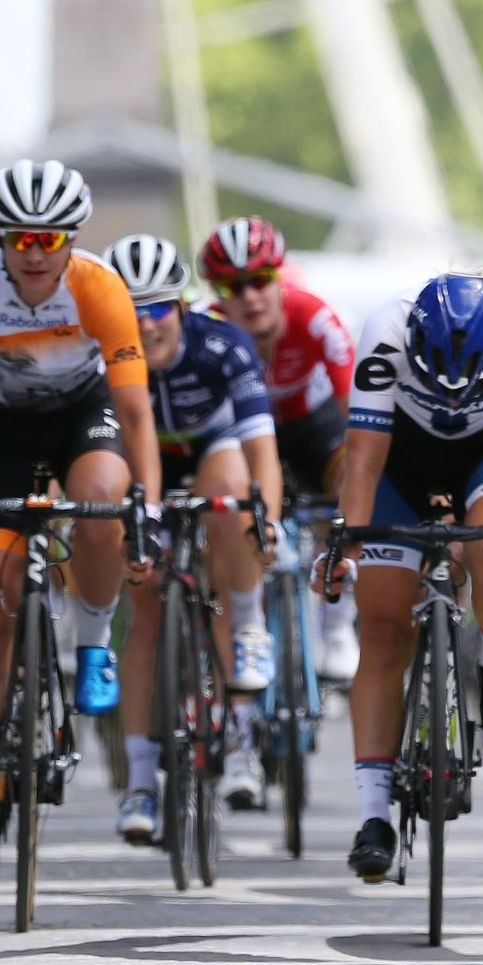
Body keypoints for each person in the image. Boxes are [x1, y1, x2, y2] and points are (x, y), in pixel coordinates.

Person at [0, 159, 162, 876]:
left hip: (80, 416)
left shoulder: (99, 286)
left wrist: (146, 505)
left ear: (71, 239)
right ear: (0, 239)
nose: (34, 252)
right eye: (19, 238)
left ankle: (92, 643)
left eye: (50, 238)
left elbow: (132, 410)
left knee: (100, 500)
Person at [316, 274, 483, 881]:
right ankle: (374, 816)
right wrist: (344, 545)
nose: (454, 395)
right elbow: (365, 458)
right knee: (381, 636)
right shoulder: (385, 329)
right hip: (401, 459)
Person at [105, 236, 281, 836]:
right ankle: (138, 782)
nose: (146, 324)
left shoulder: (221, 343)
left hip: (212, 451)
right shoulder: (102, 351)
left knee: (233, 495)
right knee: (146, 610)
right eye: (133, 310)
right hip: (143, 460)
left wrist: (269, 522)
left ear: (181, 305)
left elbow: (263, 451)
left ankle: (240, 726)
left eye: (158, 308)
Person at [202, 216, 360, 682]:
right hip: (244, 433)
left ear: (280, 277)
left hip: (310, 425)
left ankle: (338, 619)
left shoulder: (315, 316)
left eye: (260, 280)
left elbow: (355, 409)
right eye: (233, 286)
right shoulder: (206, 326)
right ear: (218, 293)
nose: (249, 297)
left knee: (355, 475)